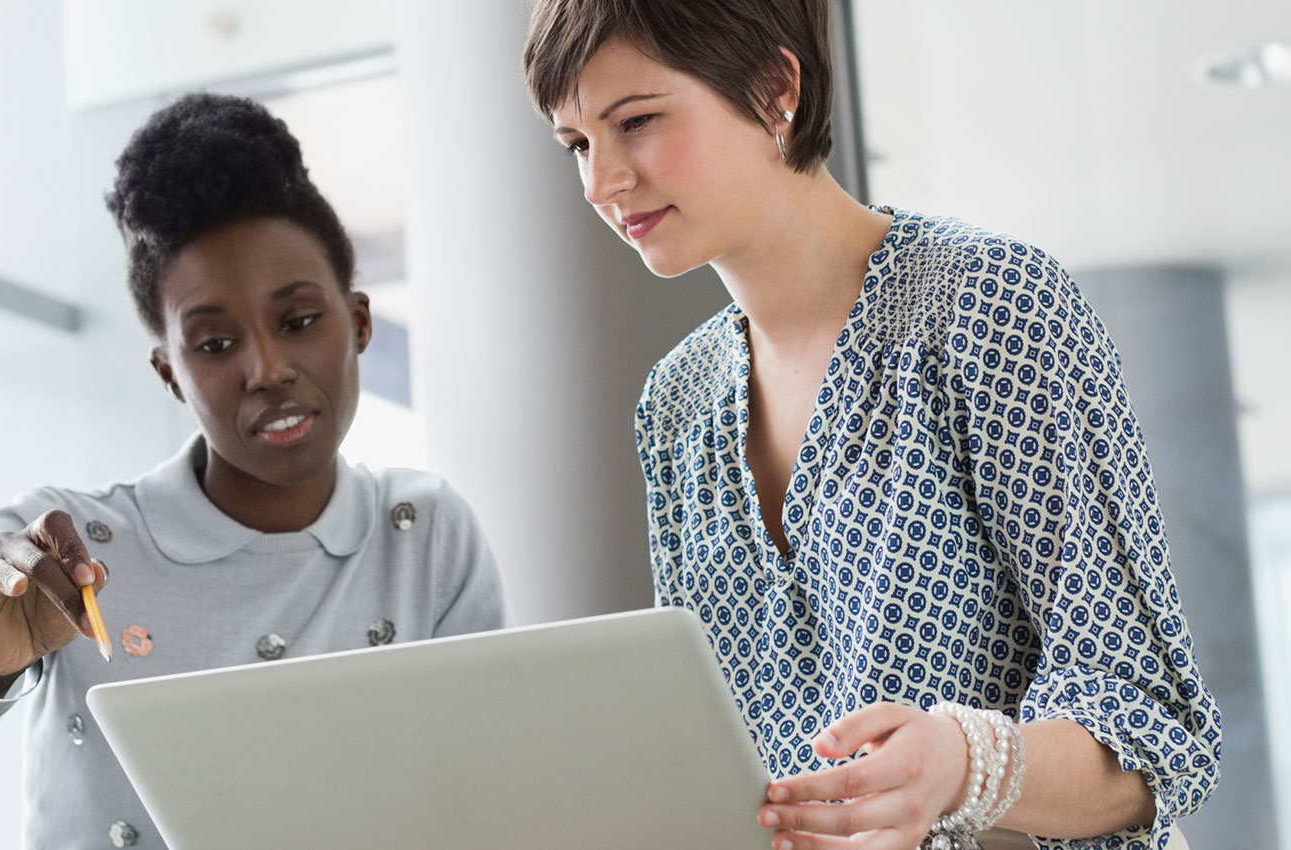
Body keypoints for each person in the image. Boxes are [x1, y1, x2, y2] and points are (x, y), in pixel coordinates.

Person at [522, 2, 1218, 849]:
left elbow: (1151, 732)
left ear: (776, 88)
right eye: (577, 145)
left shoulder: (988, 306)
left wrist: (964, 766)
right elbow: (720, 758)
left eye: (635, 121)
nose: (601, 182)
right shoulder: (676, 402)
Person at [0, 93, 510, 848]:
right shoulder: (68, 547)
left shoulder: (423, 532)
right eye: (215, 344)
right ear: (169, 373)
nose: (266, 370)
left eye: (298, 322)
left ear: (357, 321)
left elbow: (484, 790)